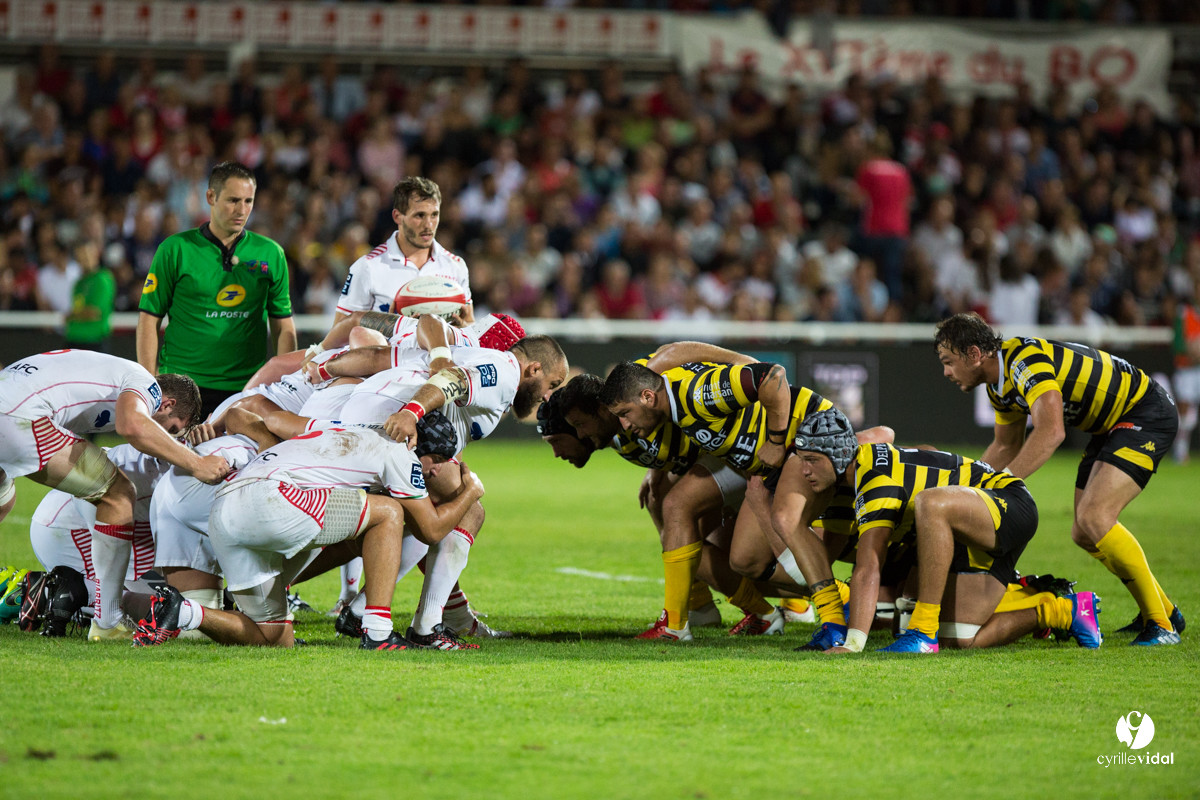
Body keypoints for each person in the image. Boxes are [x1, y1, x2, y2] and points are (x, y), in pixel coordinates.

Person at [934, 312, 1183, 646]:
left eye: (949, 362)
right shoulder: (999, 386)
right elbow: (1006, 445)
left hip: (1144, 412)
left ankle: (1161, 625)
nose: (946, 372)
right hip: (1110, 426)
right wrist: (967, 488)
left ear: (975, 355)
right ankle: (1167, 611)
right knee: (1084, 532)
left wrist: (1004, 483)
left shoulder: (1024, 361)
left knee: (1095, 518)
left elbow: (1051, 432)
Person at [133, 422, 485, 650]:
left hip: (225, 509)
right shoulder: (401, 452)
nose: (436, 468)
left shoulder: (354, 432)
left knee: (272, 635)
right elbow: (431, 529)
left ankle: (183, 613)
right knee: (390, 513)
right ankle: (377, 631)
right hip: (271, 498)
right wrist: (471, 491)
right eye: (437, 459)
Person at [789, 409, 1102, 654]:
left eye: (812, 461)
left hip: (1008, 502)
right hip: (967, 522)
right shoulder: (845, 481)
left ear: (840, 455)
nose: (804, 471)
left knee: (931, 503)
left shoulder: (874, 479)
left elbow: (868, 564)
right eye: (802, 460)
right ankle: (1062, 609)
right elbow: (926, 451)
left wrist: (854, 643)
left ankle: (924, 632)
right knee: (962, 638)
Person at [0, 350, 228, 639]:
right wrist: (197, 463)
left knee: (4, 501)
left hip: (12, 404)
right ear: (167, 403)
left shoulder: (106, 379)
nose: (168, 442)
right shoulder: (146, 384)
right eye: (171, 430)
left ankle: (56, 593)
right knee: (117, 493)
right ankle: (106, 622)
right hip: (20, 416)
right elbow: (132, 425)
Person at [549, 373, 786, 639]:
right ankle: (702, 606)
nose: (578, 435)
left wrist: (775, 437)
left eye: (561, 438)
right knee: (683, 532)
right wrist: (656, 470)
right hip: (739, 460)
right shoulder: (631, 429)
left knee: (685, 520)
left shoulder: (660, 395)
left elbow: (765, 374)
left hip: (753, 454)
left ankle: (681, 623)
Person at [137, 161, 297, 418]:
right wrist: (149, 386)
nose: (242, 210)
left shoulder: (272, 254)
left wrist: (288, 386)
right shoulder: (175, 249)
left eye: (248, 201)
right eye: (233, 200)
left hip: (246, 389)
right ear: (210, 197)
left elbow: (283, 326)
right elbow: (148, 319)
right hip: (180, 387)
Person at [334, 176, 473, 326]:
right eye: (420, 215)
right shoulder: (367, 267)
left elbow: (470, 323)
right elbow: (340, 330)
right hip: (387, 350)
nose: (428, 224)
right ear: (397, 216)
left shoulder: (456, 265)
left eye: (434, 215)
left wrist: (463, 329)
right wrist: (392, 328)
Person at [63, 240, 116, 352]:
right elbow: (78, 308)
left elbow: (94, 312)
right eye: (80, 257)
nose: (83, 260)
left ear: (96, 253)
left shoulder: (102, 279)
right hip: (73, 341)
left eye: (86, 255)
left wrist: (72, 315)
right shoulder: (78, 283)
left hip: (93, 342)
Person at [1173, 278, 1200, 464]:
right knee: (1185, 409)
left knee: (1191, 413)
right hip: (1186, 369)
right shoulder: (1184, 313)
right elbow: (1177, 342)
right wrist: (1191, 352)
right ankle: (1180, 450)